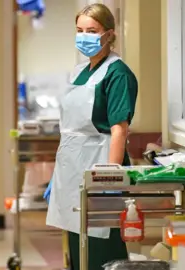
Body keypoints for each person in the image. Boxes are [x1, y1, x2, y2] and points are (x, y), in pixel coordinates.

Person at [45, 3, 138, 270]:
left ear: (109, 34)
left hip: (100, 166)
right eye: (79, 30)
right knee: (77, 248)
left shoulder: (118, 73)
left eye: (92, 30)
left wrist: (110, 176)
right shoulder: (79, 72)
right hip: (72, 170)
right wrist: (57, 176)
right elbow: (72, 131)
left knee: (100, 248)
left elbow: (119, 129)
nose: (84, 36)